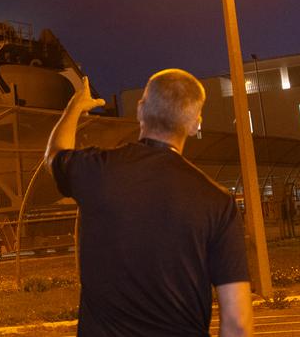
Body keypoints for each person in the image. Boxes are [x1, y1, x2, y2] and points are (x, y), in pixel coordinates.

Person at [45, 69, 253, 337]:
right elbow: (238, 323)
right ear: (194, 124)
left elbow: (54, 156)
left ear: (140, 111)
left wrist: (73, 108)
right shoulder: (218, 202)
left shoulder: (97, 170)